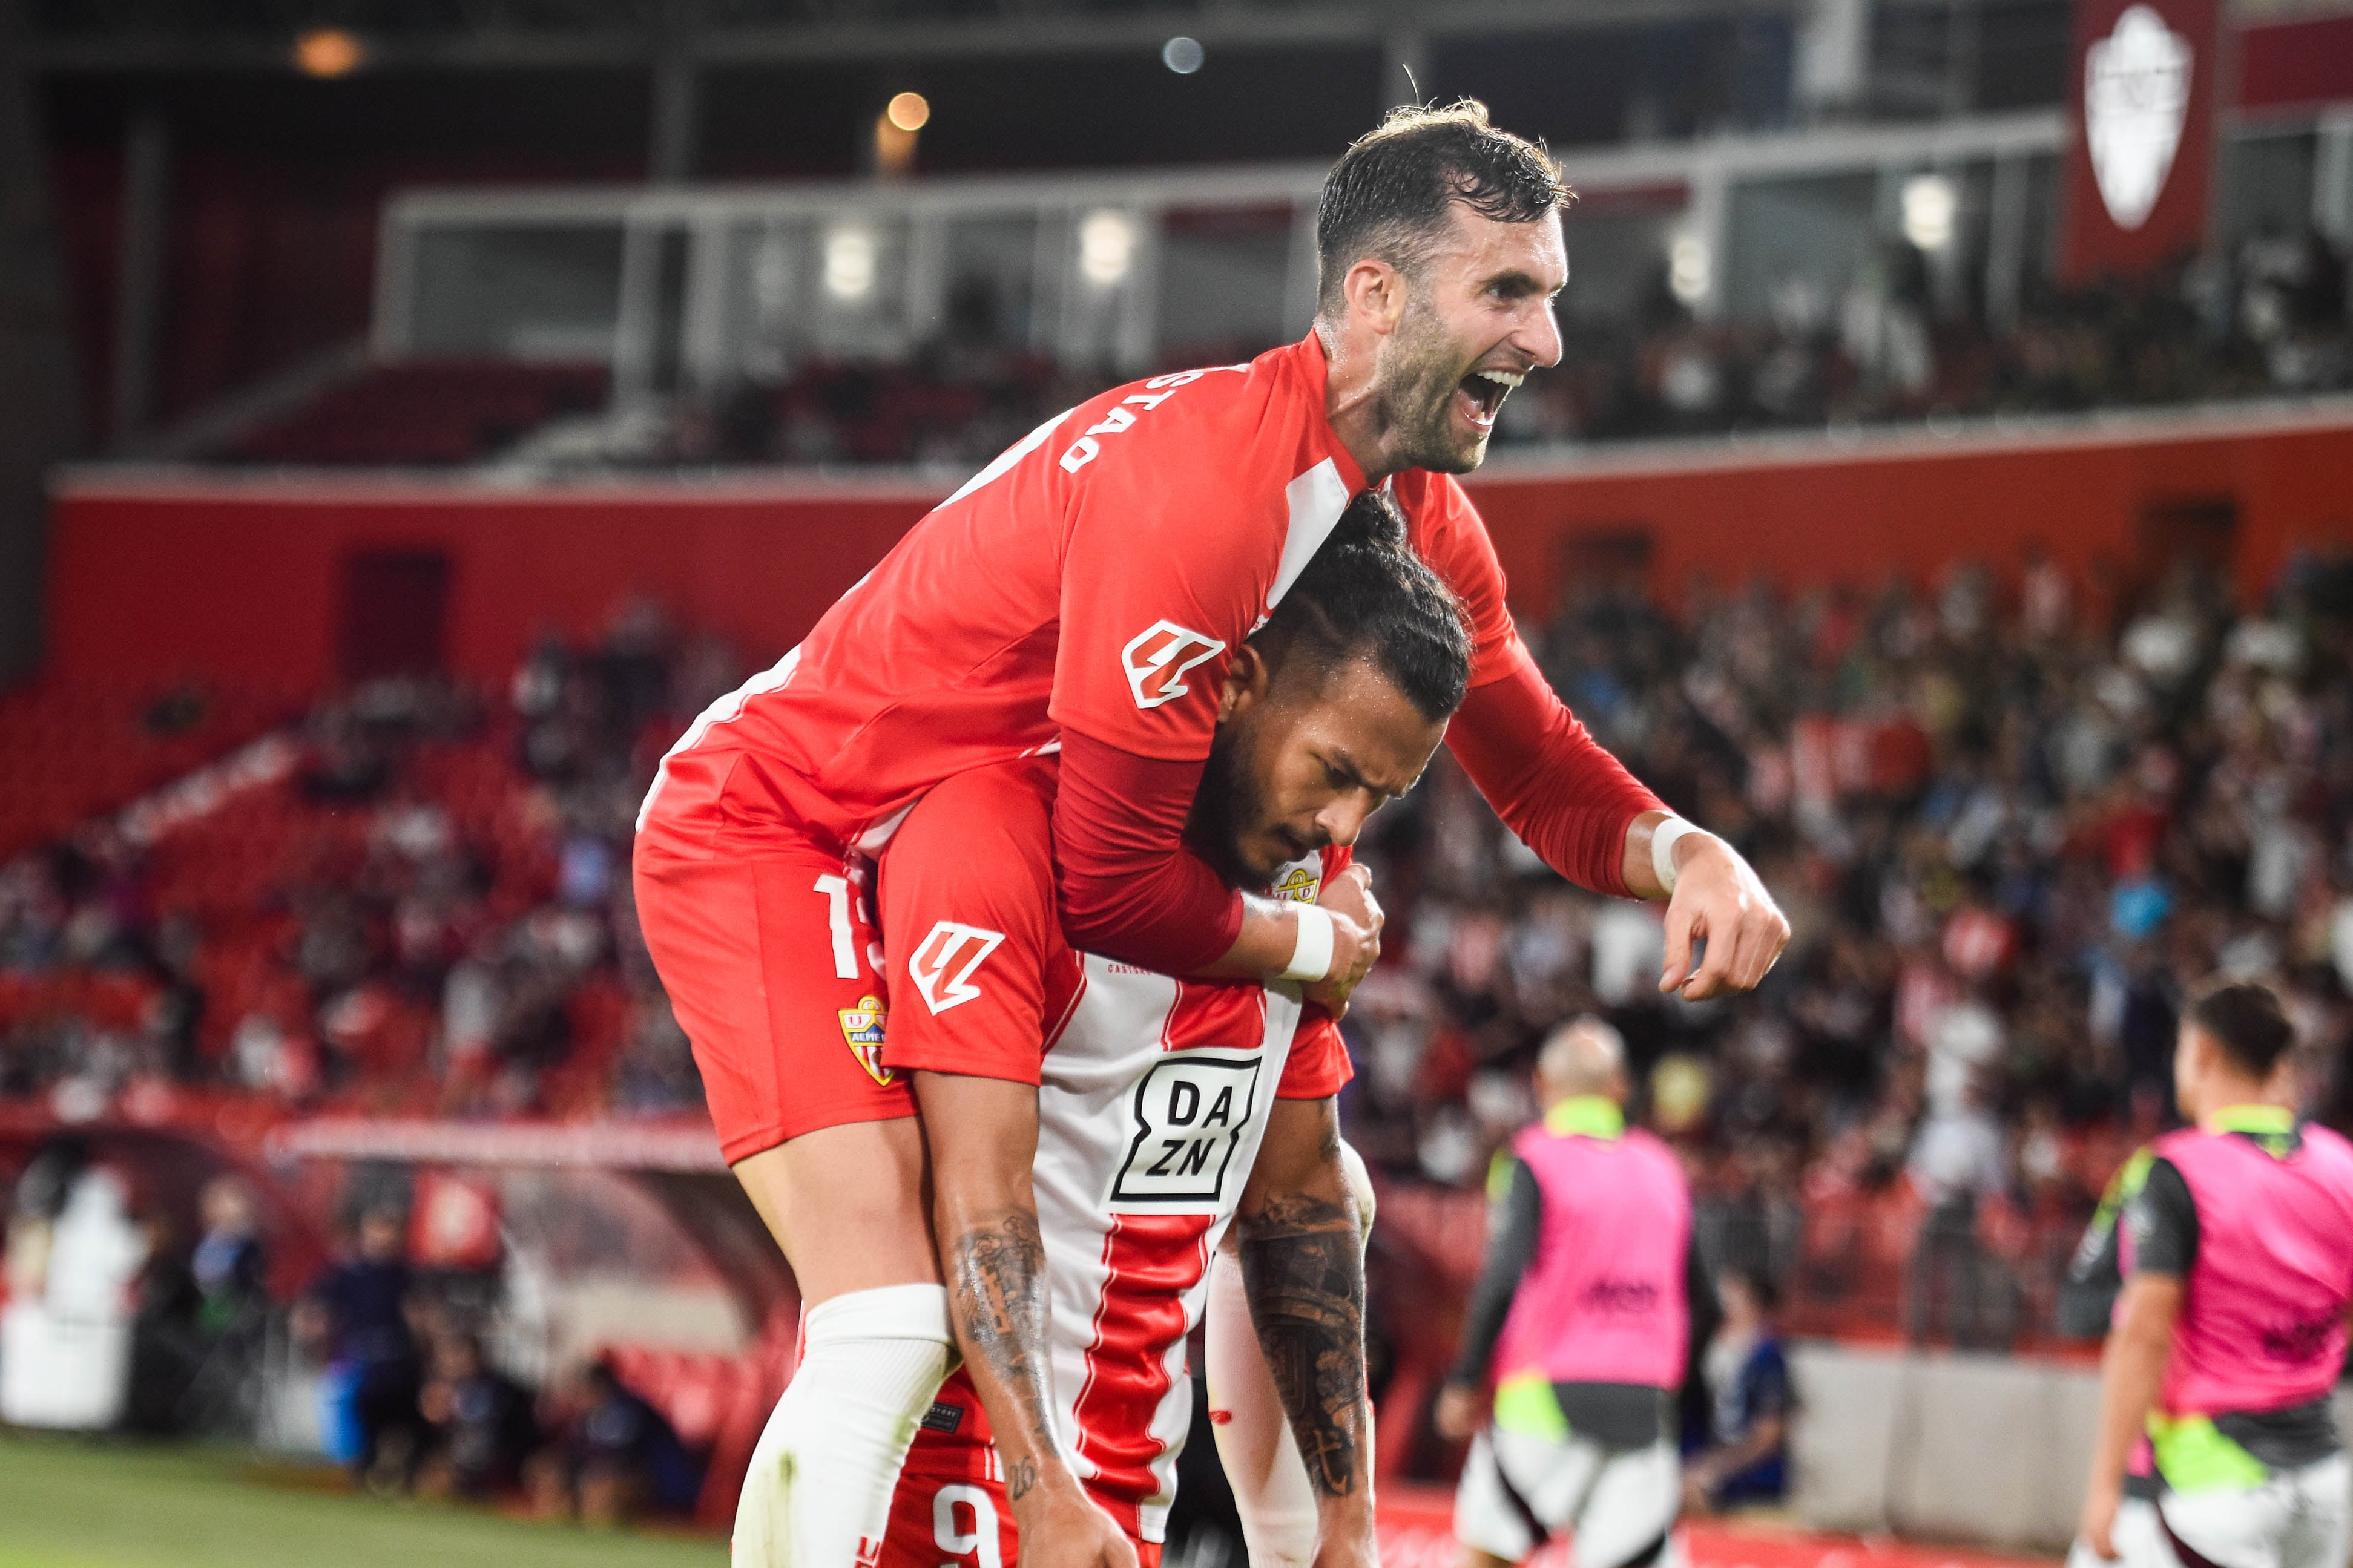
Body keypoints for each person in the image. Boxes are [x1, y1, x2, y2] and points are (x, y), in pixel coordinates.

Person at [633, 98, 1789, 1566]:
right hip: (778, 824)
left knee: (1322, 1189)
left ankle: (1320, 1544)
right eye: (1511, 291)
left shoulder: (1404, 518)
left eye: (1551, 296)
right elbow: (1114, 883)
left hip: (945, 839)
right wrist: (1309, 941)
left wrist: (1685, 848)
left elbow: (1539, 768)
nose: (1548, 341)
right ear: (1374, 296)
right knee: (887, 1319)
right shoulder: (1209, 502)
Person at [861, 495, 1466, 1568]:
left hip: (1124, 1501)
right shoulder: (992, 838)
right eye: (1334, 771)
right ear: (1235, 683)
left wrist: (1345, 1525)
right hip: (934, 1495)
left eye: (1381, 795)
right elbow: (978, 1195)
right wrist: (1041, 1485)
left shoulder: (1302, 897)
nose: (1344, 828)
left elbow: (1298, 1200)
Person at [2077, 979, 2353, 1568]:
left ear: (2199, 1051)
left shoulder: (2172, 1170)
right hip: (2322, 1479)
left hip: (2208, 1482)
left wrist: (2103, 1484)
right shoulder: (2341, 1164)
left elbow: (2144, 1332)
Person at [1435, 1019, 1719, 1568]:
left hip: (1542, 1398)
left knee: (1487, 1554)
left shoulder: (1533, 1158)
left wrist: (1465, 1379)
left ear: (1542, 1083)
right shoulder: (1664, 1168)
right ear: (1620, 1087)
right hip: (1642, 1404)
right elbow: (1706, 1302)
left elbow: (1502, 1276)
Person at [293, 1206, 422, 1486]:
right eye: (379, 1228)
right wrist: (314, 1335)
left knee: (399, 1423)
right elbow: (316, 1310)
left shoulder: (407, 1275)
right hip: (358, 1361)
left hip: (399, 1363)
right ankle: (356, 1470)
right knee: (354, 1419)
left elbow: (421, 1318)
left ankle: (390, 1472)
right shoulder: (349, 1274)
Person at [530, 1358, 703, 1525]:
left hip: (663, 1482)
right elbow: (580, 1453)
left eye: (583, 1391)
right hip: (627, 1472)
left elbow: (623, 1460)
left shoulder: (626, 1410)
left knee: (598, 1487)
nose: (579, 1398)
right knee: (549, 1473)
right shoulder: (590, 1417)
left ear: (600, 1386)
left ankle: (603, 1537)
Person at [1682, 1267, 1791, 1513]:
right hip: (1703, 1451)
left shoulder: (1767, 1354)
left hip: (1747, 1467)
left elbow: (1769, 1432)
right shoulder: (1708, 1341)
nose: (1726, 1298)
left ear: (1754, 1300)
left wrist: (1718, 1466)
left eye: (1735, 1292)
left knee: (1692, 1490)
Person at [416, 1331, 538, 1499]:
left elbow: (512, 1430)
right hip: (452, 1462)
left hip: (493, 1463)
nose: (456, 1361)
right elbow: (432, 1430)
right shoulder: (440, 1388)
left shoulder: (500, 1389)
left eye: (461, 1354)